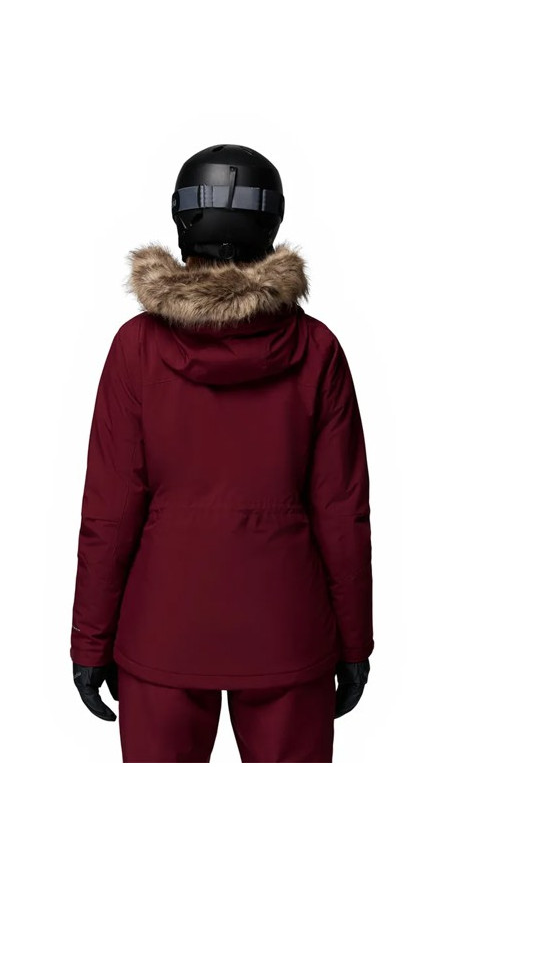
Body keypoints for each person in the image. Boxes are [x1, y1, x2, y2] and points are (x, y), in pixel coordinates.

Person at [69, 144, 373, 763]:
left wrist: (90, 642)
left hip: (162, 632)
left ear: (183, 219)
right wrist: (353, 642)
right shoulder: (317, 350)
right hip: (288, 632)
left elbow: (109, 512)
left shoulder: (136, 348)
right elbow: (343, 515)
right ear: (272, 221)